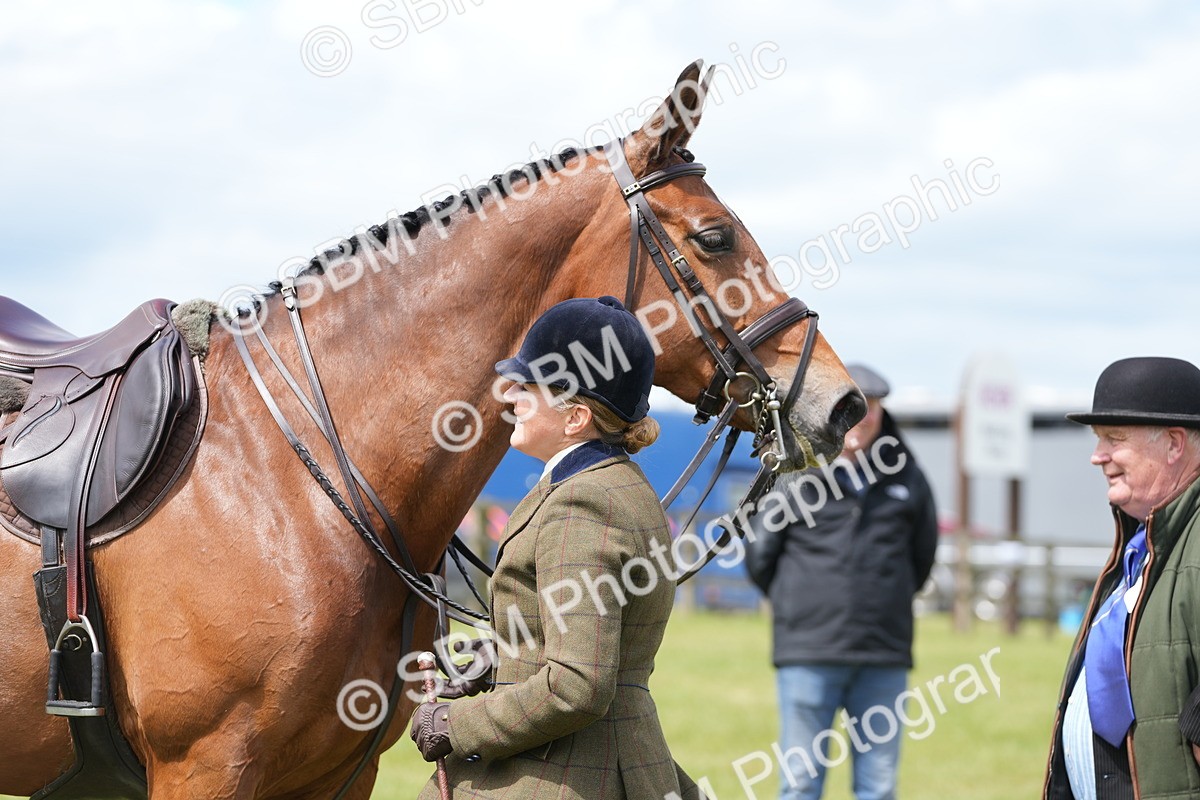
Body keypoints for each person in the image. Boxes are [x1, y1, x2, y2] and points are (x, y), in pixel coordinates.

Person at [410, 295, 702, 800]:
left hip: (568, 773)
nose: (513, 396)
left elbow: (577, 685)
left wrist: (457, 724)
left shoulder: (583, 504)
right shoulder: (613, 484)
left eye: (530, 387)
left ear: (575, 419)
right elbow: (581, 635)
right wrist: (499, 658)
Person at [745, 363, 938, 800]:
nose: (863, 418)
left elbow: (922, 556)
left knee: (878, 786)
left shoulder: (908, 475)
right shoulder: (798, 473)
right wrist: (802, 605)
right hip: (809, 651)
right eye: (854, 408)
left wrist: (882, 599)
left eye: (872, 408)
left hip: (883, 653)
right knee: (800, 782)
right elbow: (761, 556)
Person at [1045, 356, 1200, 800]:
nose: (1098, 457)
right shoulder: (1141, 542)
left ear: (1174, 445)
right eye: (1099, 440)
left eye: (1114, 439)